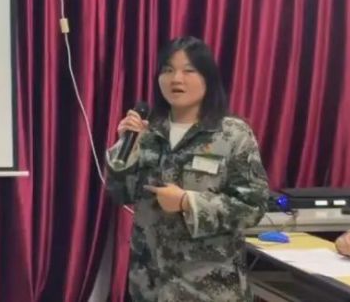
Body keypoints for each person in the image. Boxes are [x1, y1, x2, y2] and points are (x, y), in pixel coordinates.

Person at [106, 36, 270, 302]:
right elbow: (120, 194)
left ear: (208, 78)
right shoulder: (148, 132)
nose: (176, 79)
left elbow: (253, 207)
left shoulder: (232, 135)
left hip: (208, 289)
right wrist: (125, 149)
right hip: (150, 287)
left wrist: (188, 202)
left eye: (189, 70)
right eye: (168, 70)